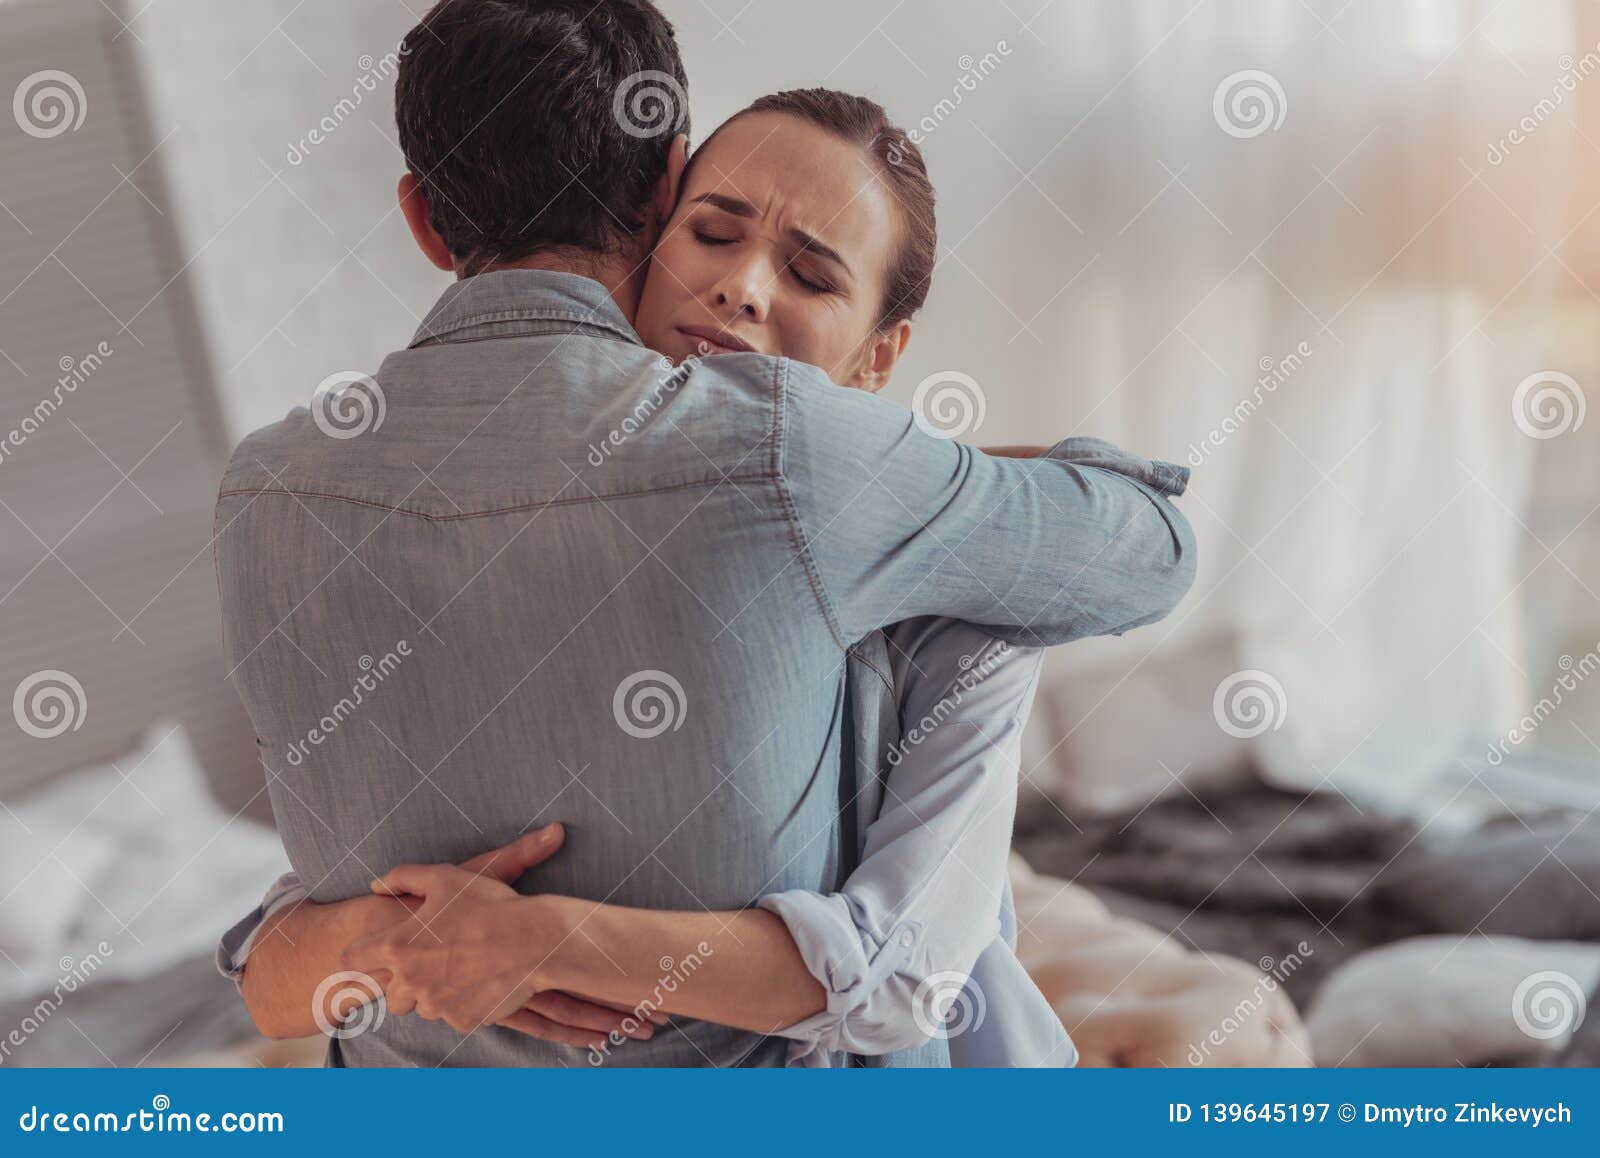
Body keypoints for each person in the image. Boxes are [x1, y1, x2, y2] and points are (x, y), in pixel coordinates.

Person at [214, 0, 1194, 1067]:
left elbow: (905, 975)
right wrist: (399, 940)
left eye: (813, 275)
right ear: (659, 199)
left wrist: (536, 941)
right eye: (713, 232)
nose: (739, 285)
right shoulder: (783, 457)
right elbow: (276, 968)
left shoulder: (264, 488)